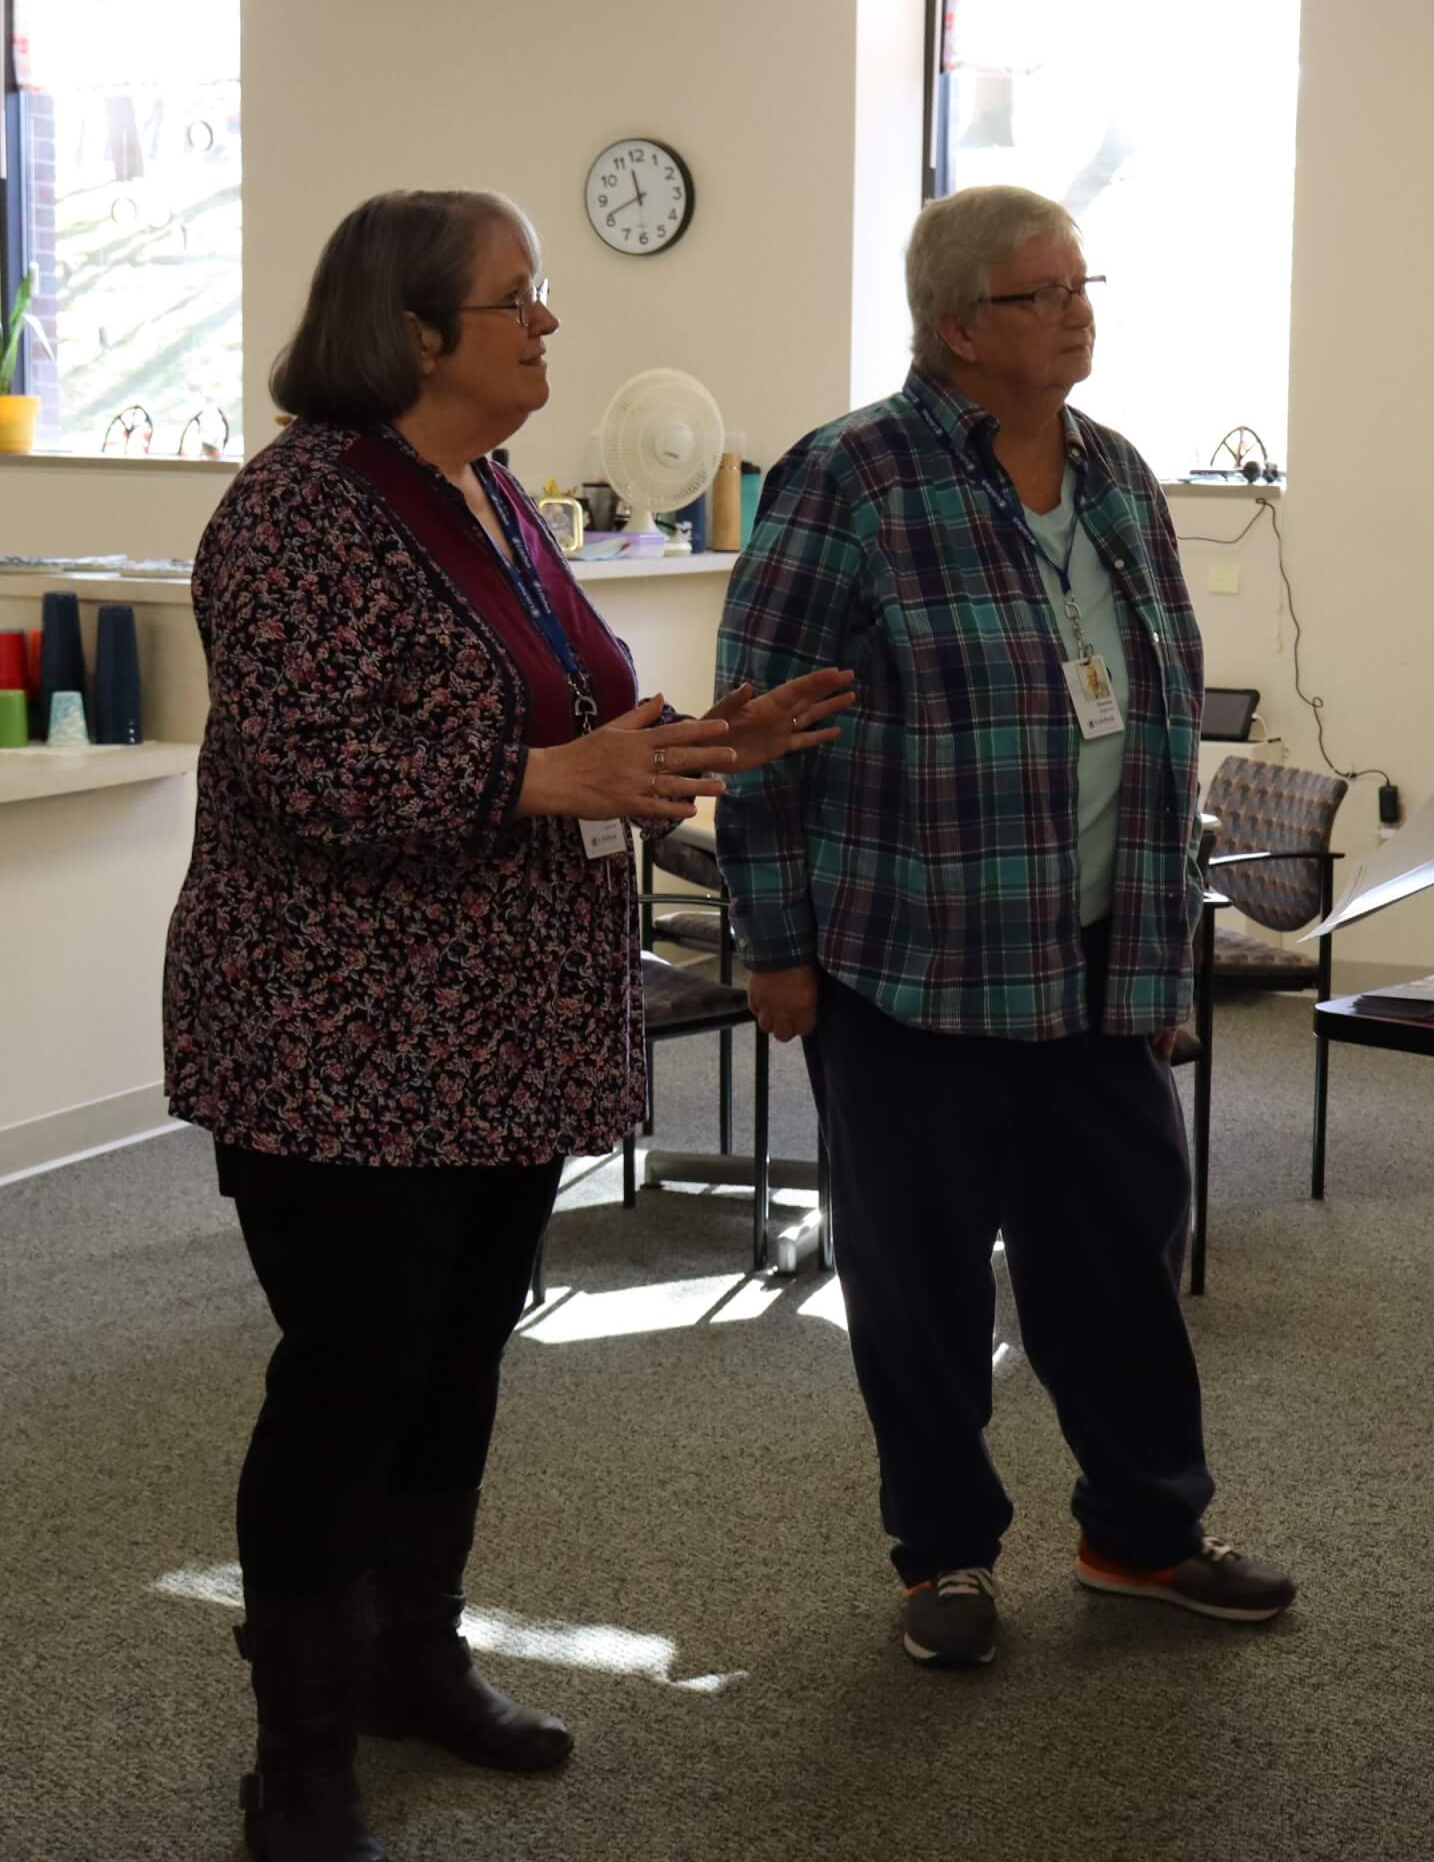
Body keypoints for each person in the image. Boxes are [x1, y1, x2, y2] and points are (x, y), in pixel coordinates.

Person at [163, 189, 852, 1862]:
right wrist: (556, 773)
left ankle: (418, 1665)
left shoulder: (489, 495)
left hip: (495, 1032)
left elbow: (571, 723)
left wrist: (697, 746)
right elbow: (306, 765)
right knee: (348, 1377)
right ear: (410, 330)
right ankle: (305, 1750)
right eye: (518, 299)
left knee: (457, 1357)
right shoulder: (298, 512)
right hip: (337, 1040)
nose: (551, 323)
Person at [715, 183, 1296, 1667]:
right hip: (915, 968)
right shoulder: (846, 478)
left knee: (1119, 1263)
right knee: (916, 1286)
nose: (1079, 309)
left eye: (1084, 282)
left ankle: (1143, 1535)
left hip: (1098, 962)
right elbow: (761, 731)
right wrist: (775, 943)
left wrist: (1162, 956)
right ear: (959, 327)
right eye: (1046, 293)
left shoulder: (1113, 475)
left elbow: (1157, 722)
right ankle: (947, 1559)